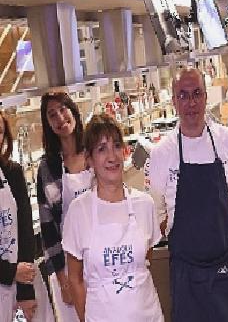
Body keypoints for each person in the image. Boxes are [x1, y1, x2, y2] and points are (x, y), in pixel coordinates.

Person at [146, 69, 228, 322]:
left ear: (206, 96)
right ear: (174, 101)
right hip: (186, 275)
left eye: (196, 94)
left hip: (227, 270)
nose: (191, 103)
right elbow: (156, 211)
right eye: (183, 95)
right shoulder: (162, 153)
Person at [62, 114, 163, 321]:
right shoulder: (78, 211)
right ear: (88, 159)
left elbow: (145, 262)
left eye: (117, 146)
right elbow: (75, 278)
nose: (112, 156)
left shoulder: (144, 204)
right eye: (101, 149)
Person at [37, 92, 92, 322]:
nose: (60, 118)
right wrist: (62, 279)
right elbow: (48, 228)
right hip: (69, 266)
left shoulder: (93, 151)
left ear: (73, 110)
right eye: (52, 115)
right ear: (48, 124)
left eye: (63, 109)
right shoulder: (47, 168)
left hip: (101, 255)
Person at [0, 111, 53, 322]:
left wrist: (25, 290)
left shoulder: (12, 173)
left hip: (23, 280)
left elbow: (24, 230)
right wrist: (9, 272)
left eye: (0, 132)